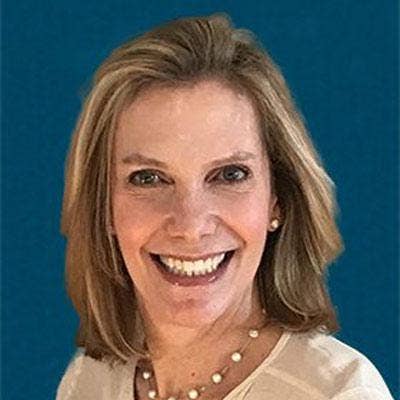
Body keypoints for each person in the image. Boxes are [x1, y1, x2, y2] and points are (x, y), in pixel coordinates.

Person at [56, 13, 393, 400]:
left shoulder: (340, 392)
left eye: (229, 175)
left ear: (277, 200)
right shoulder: (87, 381)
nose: (191, 225)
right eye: (148, 178)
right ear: (104, 209)